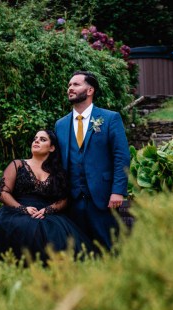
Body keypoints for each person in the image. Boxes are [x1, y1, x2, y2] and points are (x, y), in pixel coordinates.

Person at [0, 129, 96, 263]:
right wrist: (23, 209)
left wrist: (48, 210)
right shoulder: (18, 164)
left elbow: (64, 199)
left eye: (43, 139)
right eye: (35, 138)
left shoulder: (57, 173)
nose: (36, 141)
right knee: (25, 227)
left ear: (52, 148)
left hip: (47, 214)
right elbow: (3, 193)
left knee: (57, 235)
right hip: (18, 213)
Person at [55, 70, 131, 250]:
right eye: (69, 85)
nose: (70, 89)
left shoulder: (110, 118)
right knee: (77, 250)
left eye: (76, 84)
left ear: (90, 90)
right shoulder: (60, 124)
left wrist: (118, 191)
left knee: (107, 247)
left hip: (103, 197)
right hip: (71, 200)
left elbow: (121, 156)